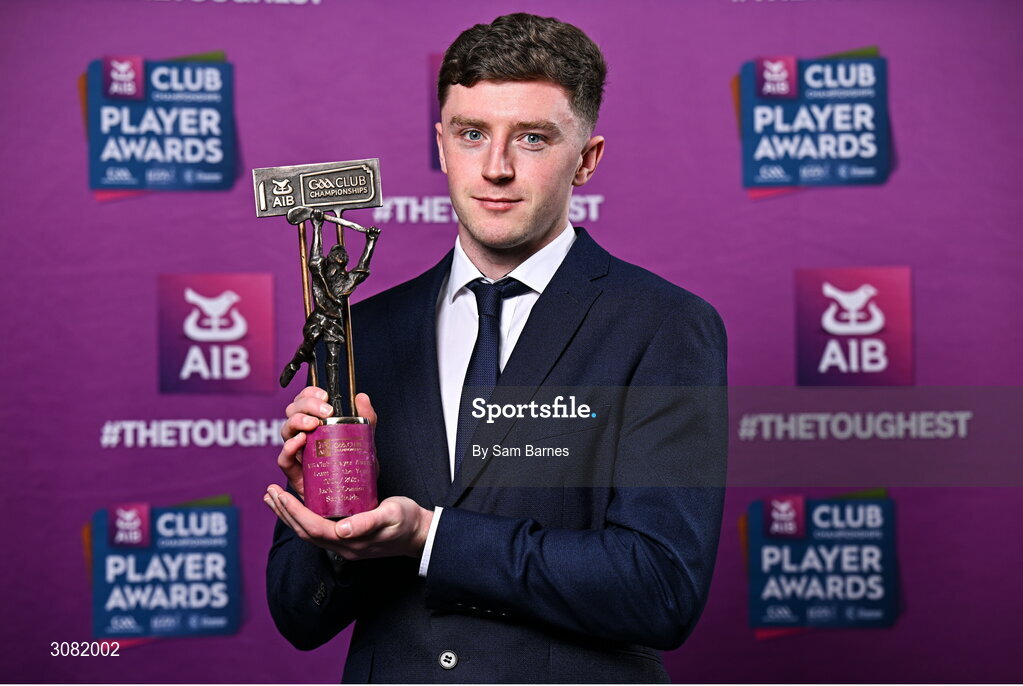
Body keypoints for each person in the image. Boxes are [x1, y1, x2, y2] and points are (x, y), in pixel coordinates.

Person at [264, 13, 727, 683]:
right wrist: (334, 514)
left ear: (586, 159)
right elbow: (297, 619)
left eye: (532, 138)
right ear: (441, 145)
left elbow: (659, 589)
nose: (497, 168)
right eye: (471, 133)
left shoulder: (662, 326)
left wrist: (430, 536)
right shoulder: (360, 331)